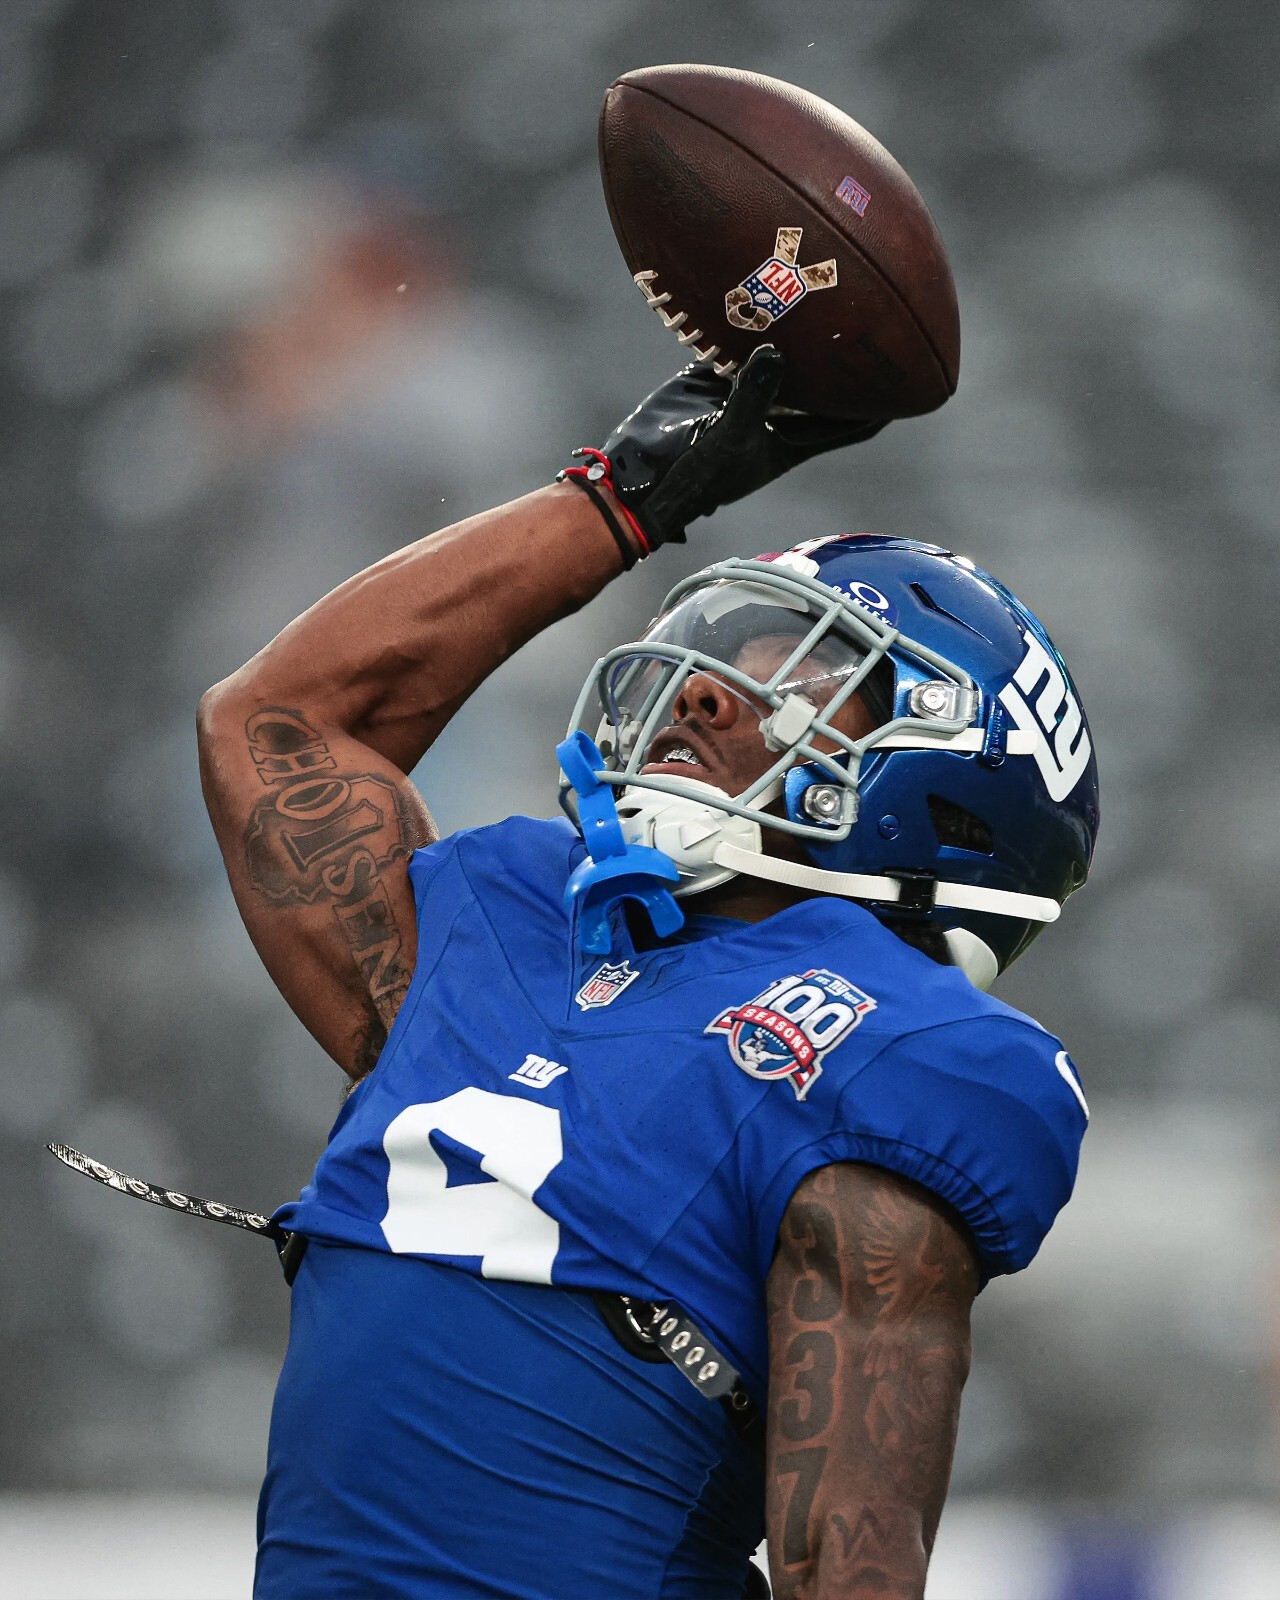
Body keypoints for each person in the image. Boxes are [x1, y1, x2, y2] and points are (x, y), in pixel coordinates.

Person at [197, 346, 1099, 1600]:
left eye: (806, 668)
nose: (711, 699)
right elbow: (277, 719)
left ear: (955, 774)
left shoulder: (894, 1045)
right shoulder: (506, 914)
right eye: (726, 651)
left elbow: (847, 1565)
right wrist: (622, 495)